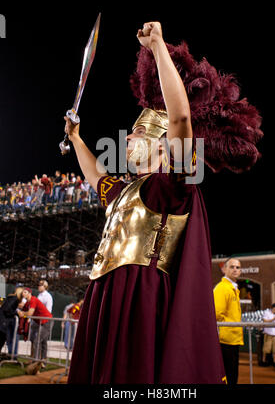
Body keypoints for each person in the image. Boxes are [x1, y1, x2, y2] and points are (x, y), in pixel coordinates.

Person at [64, 21, 262, 384]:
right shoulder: (125, 189)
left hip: (141, 296)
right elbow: (95, 176)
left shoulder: (169, 187)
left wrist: (158, 49)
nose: (127, 141)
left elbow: (181, 117)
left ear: (161, 145)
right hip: (104, 293)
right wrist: (76, 139)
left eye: (138, 134)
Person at [213, 257, 244, 386]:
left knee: (232, 374)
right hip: (226, 339)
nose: (235, 269)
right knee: (229, 376)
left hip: (233, 338)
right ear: (224, 269)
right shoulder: (222, 288)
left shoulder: (233, 288)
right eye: (231, 267)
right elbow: (216, 313)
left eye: (238, 267)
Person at [18, 287, 53, 368]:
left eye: (25, 292)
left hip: (47, 321)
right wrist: (20, 309)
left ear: (30, 293)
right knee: (41, 341)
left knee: (38, 341)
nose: (23, 294)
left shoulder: (33, 299)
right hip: (40, 322)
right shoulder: (27, 302)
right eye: (23, 292)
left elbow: (29, 313)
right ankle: (41, 362)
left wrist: (22, 313)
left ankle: (36, 362)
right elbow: (21, 309)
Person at [0, 287, 23, 356]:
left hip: (2, 321)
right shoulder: (14, 299)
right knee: (1, 340)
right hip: (3, 322)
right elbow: (7, 310)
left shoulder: (11, 298)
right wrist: (16, 313)